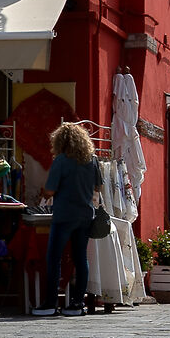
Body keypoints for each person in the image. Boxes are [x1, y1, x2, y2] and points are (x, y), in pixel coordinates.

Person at [43, 120, 103, 315]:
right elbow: (97, 186)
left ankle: (50, 303)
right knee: (80, 258)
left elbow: (50, 190)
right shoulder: (92, 160)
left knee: (54, 257)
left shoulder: (60, 160)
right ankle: (77, 302)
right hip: (85, 214)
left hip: (64, 215)